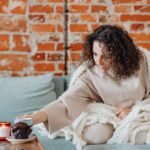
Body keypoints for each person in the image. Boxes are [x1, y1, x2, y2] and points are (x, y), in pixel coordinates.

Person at [17, 25, 150, 144]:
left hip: (142, 115)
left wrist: (134, 111)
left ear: (120, 54)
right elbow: (66, 102)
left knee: (142, 134)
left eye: (107, 56)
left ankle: (123, 132)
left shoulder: (143, 62)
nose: (99, 61)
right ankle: (117, 133)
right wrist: (33, 118)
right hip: (110, 116)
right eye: (95, 54)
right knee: (96, 134)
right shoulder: (89, 74)